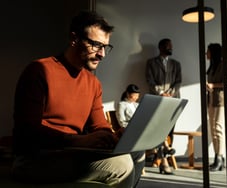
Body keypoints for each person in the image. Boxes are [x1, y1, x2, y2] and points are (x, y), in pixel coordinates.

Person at [11, 10, 144, 188]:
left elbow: (99, 126)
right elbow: (27, 130)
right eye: (96, 45)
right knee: (122, 166)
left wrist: (115, 137)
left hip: (71, 153)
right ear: (74, 39)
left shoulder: (93, 83)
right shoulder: (39, 70)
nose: (102, 54)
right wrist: (76, 140)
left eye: (105, 47)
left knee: (138, 153)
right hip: (35, 158)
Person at [145, 38, 181, 174]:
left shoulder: (176, 64)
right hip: (157, 100)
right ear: (161, 47)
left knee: (169, 131)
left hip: (172, 101)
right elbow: (149, 79)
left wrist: (170, 93)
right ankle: (164, 160)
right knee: (159, 130)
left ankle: (162, 156)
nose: (171, 48)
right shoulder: (151, 63)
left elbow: (178, 81)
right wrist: (161, 93)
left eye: (171, 46)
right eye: (168, 46)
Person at [206, 43, 227, 171]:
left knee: (218, 128)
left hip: (221, 101)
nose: (206, 54)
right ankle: (218, 159)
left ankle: (219, 157)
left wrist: (213, 85)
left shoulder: (225, 64)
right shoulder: (212, 66)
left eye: (208, 51)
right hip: (212, 100)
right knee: (213, 130)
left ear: (213, 52)